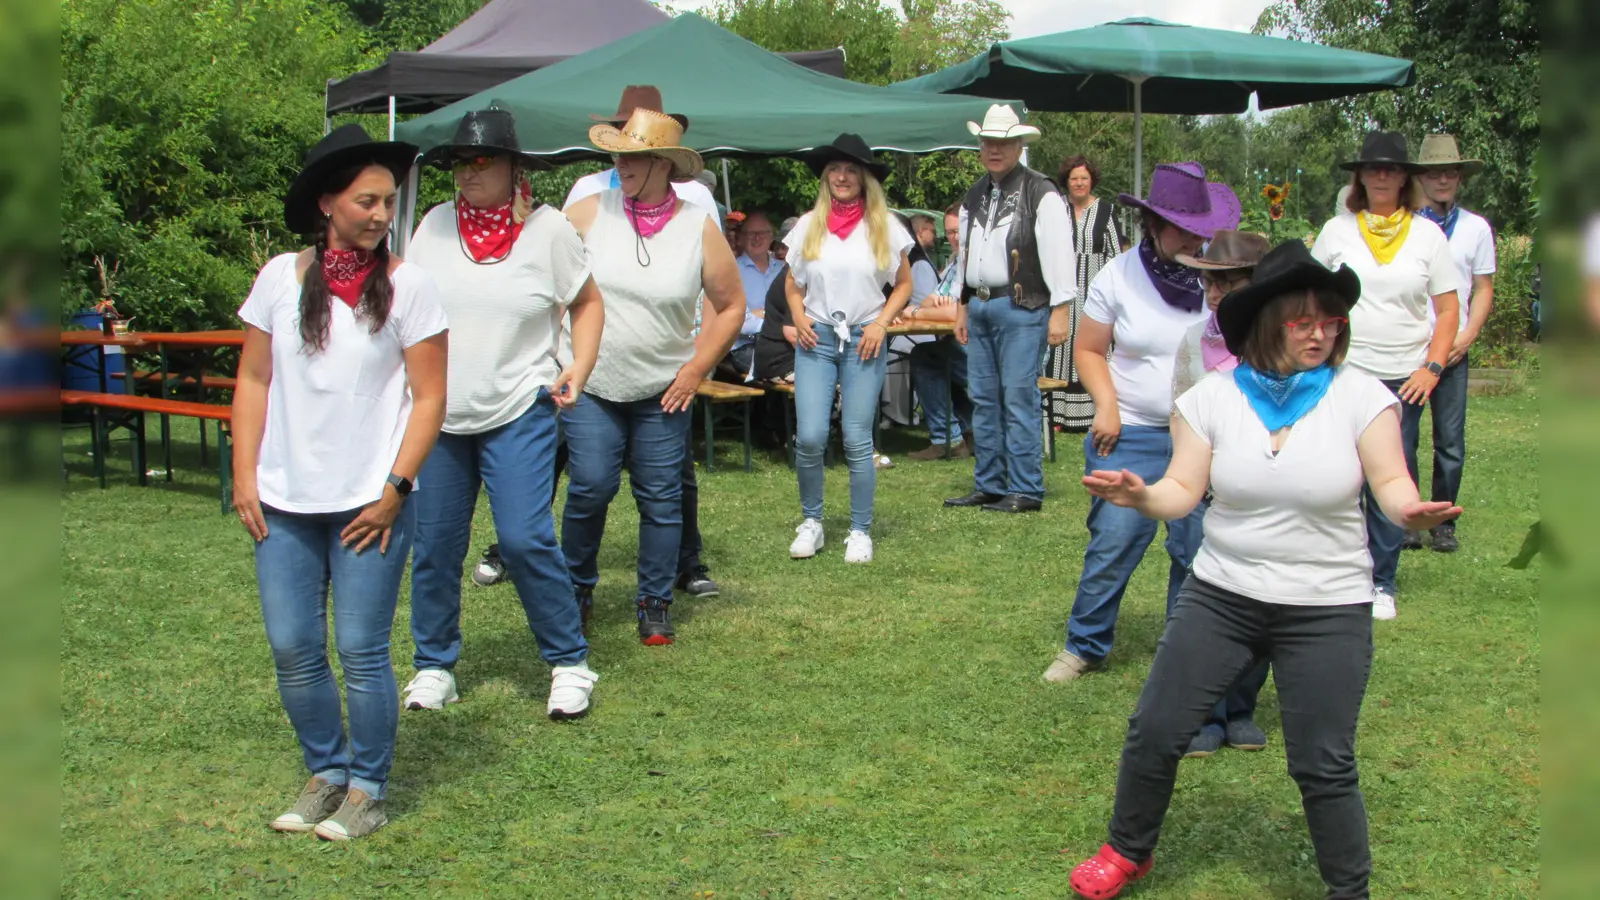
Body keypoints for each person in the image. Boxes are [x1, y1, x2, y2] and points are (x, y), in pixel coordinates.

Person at [1065, 239, 1463, 900]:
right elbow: (1182, 490)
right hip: (1223, 597)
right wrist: (1143, 496)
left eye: (1331, 319)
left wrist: (1407, 510)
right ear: (1266, 323)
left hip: (1327, 607)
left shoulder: (1362, 396)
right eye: (1303, 319)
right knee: (1156, 728)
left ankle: (1349, 890)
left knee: (1322, 763)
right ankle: (1126, 850)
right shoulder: (1212, 397)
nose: (1320, 331)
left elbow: (1391, 480)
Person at [231, 125, 448, 840]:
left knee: (360, 650)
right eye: (367, 200)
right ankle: (325, 771)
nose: (382, 214)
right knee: (293, 644)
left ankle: (367, 789)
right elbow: (256, 378)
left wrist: (396, 490)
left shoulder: (410, 286)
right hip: (284, 499)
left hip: (369, 503)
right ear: (327, 203)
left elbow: (430, 396)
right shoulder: (276, 278)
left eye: (389, 202)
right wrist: (243, 474)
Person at [402, 108, 603, 718]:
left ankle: (569, 662)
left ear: (515, 166)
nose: (467, 172)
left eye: (480, 161)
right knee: (435, 544)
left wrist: (580, 365)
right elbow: (408, 310)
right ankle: (434, 665)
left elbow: (588, 303)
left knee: (522, 537)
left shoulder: (549, 231)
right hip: (440, 413)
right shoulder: (433, 226)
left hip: (520, 406)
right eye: (460, 162)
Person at [1044, 161, 1240, 683]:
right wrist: (1105, 405)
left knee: (1196, 547)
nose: (1196, 239)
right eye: (1184, 229)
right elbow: (1088, 349)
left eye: (1203, 230)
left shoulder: (1219, 280)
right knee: (1114, 538)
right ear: (1153, 225)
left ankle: (1183, 652)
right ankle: (1084, 645)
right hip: (1131, 430)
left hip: (1204, 436)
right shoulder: (1121, 275)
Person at [561, 103, 744, 646]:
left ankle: (654, 600)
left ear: (665, 163)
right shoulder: (589, 212)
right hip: (594, 385)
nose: (623, 166)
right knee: (590, 487)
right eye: (618, 156)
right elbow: (543, 278)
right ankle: (575, 590)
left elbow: (731, 304)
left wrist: (695, 369)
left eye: (636, 158)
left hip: (665, 388)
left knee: (662, 498)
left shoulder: (698, 227)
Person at [1311, 131, 1460, 621]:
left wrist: (1432, 367)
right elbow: (1311, 298)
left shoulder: (1428, 236)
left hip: (1404, 378)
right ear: (1359, 176)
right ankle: (1337, 570)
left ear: (1405, 179)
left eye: (1391, 169)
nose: (1381, 176)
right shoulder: (1337, 231)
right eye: (1372, 168)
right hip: (1343, 371)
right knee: (1335, 473)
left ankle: (1381, 581)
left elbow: (1447, 310)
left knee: (1387, 478)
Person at [784, 133, 914, 564]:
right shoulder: (808, 224)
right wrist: (799, 317)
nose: (842, 177)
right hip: (816, 338)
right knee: (811, 436)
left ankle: (859, 531)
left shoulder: (885, 225)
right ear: (826, 177)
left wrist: (881, 324)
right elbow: (792, 282)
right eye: (835, 170)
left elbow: (905, 285)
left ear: (864, 179)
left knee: (858, 439)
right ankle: (813, 522)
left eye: (851, 171)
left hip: (864, 337)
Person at [1168, 229, 1273, 757]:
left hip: (1259, 492)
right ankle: (1203, 712)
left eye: (1229, 282)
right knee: (1197, 599)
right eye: (1210, 282)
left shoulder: (1277, 346)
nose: (1214, 293)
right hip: (1202, 487)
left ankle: (1241, 707)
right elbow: (1181, 409)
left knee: (1260, 597)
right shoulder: (1193, 341)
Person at [944, 105, 1077, 513]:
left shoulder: (1042, 192)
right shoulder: (974, 194)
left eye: (1002, 142)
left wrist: (1062, 309)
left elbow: (1060, 254)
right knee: (983, 397)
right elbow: (965, 255)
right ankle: (990, 482)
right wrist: (963, 306)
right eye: (987, 142)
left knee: (1017, 397)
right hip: (982, 304)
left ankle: (1025, 488)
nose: (994, 149)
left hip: (1022, 305)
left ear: (1019, 145)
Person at [1413, 134, 1495, 554]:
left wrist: (1469, 334)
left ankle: (1443, 522)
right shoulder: (1406, 226)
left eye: (1450, 171)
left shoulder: (1476, 228)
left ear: (1460, 177)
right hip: (1410, 348)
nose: (1442, 178)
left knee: (1449, 441)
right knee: (1401, 437)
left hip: (1454, 352)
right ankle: (1407, 518)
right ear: (1421, 176)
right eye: (1434, 171)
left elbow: (1482, 288)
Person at [563, 85, 720, 217]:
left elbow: (714, 251)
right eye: (622, 127)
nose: (629, 135)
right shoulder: (586, 190)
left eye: (640, 128)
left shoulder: (696, 196)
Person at [1051, 155, 1123, 433]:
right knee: (1058, 350)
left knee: (1092, 349)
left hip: (1095, 289)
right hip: (1061, 289)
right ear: (1066, 182)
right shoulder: (1057, 208)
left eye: (1084, 178)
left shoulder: (1105, 210)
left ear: (1091, 180)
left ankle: (1095, 410)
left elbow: (1115, 254)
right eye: (1074, 178)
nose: (1079, 183)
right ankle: (1056, 414)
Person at [906, 200, 973, 460]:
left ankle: (950, 439)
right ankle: (966, 432)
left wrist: (916, 312)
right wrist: (930, 306)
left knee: (927, 356)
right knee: (934, 355)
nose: (954, 238)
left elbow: (956, 312)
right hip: (962, 343)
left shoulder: (976, 265)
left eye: (959, 231)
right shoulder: (955, 263)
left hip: (985, 352)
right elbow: (928, 299)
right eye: (950, 233)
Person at [722, 210, 783, 382]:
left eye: (763, 233)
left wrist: (761, 313)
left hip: (784, 345)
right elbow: (740, 322)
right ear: (741, 237)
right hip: (746, 348)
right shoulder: (731, 271)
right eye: (751, 233)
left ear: (772, 237)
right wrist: (776, 321)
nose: (757, 238)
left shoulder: (784, 270)